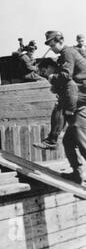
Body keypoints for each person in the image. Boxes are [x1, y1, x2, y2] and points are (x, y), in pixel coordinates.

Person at [40, 31, 86, 184]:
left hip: (83, 98)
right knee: (68, 141)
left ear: (60, 41)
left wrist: (52, 78)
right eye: (50, 45)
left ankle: (52, 139)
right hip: (79, 97)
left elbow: (66, 75)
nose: (52, 48)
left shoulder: (67, 52)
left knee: (81, 138)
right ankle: (77, 174)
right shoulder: (64, 55)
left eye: (53, 44)